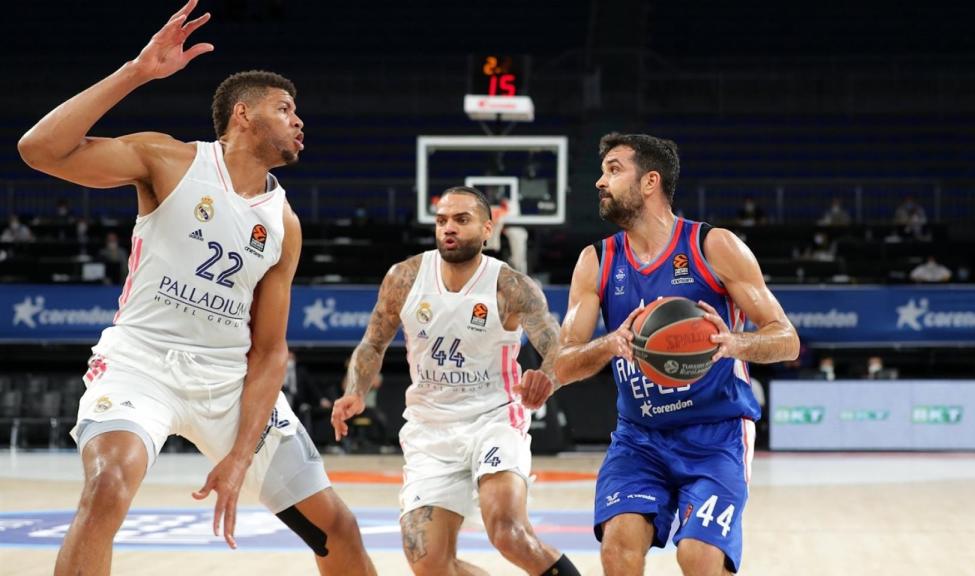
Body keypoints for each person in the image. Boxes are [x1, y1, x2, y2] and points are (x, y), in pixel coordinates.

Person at [17, 2, 375, 574]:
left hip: (227, 382)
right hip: (142, 366)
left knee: (339, 530)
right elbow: (39, 151)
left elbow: (269, 351)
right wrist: (135, 71)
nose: (299, 121)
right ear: (243, 115)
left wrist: (238, 457)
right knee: (109, 484)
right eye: (285, 109)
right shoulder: (169, 160)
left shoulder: (284, 224)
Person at [521, 133, 799, 575]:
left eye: (613, 169)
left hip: (715, 433)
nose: (599, 181)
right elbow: (564, 363)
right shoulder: (596, 261)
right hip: (640, 438)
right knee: (618, 546)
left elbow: (786, 338)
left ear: (650, 181)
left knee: (699, 557)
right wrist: (609, 344)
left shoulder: (714, 246)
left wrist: (734, 343)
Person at [331, 186, 581, 576]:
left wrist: (547, 377)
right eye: (442, 220)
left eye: (461, 220)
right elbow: (372, 342)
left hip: (494, 418)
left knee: (508, 533)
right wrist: (355, 393)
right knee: (428, 563)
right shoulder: (405, 277)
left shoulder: (510, 286)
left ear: (486, 229)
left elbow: (557, 347)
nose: (449, 228)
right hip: (430, 430)